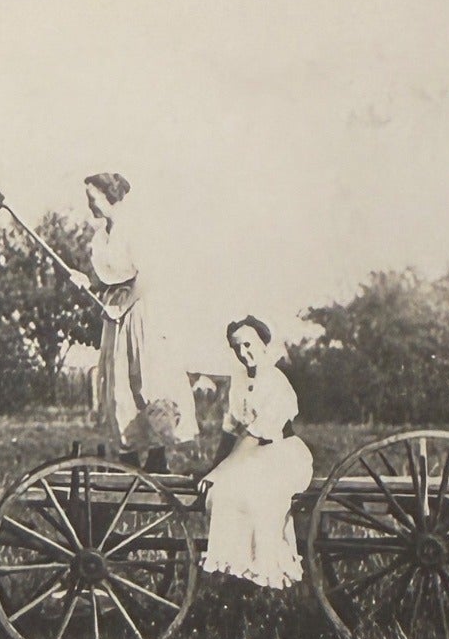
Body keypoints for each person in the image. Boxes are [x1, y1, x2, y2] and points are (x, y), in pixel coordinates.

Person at [81, 171, 199, 471]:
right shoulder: (100, 237)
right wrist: (84, 282)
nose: (90, 204)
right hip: (116, 312)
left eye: (92, 197)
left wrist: (123, 308)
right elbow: (108, 279)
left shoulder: (135, 229)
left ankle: (158, 459)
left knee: (146, 377)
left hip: (142, 311)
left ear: (110, 196)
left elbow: (147, 277)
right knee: (118, 382)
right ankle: (128, 457)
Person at [202, 315, 314, 590]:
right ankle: (237, 573)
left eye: (248, 345)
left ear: (264, 343)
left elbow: (255, 435)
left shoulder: (276, 381)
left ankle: (267, 570)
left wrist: (219, 471)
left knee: (256, 495)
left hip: (282, 455)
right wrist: (213, 469)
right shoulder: (239, 379)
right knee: (224, 493)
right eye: (237, 348)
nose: (244, 353)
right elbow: (231, 430)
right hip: (255, 457)